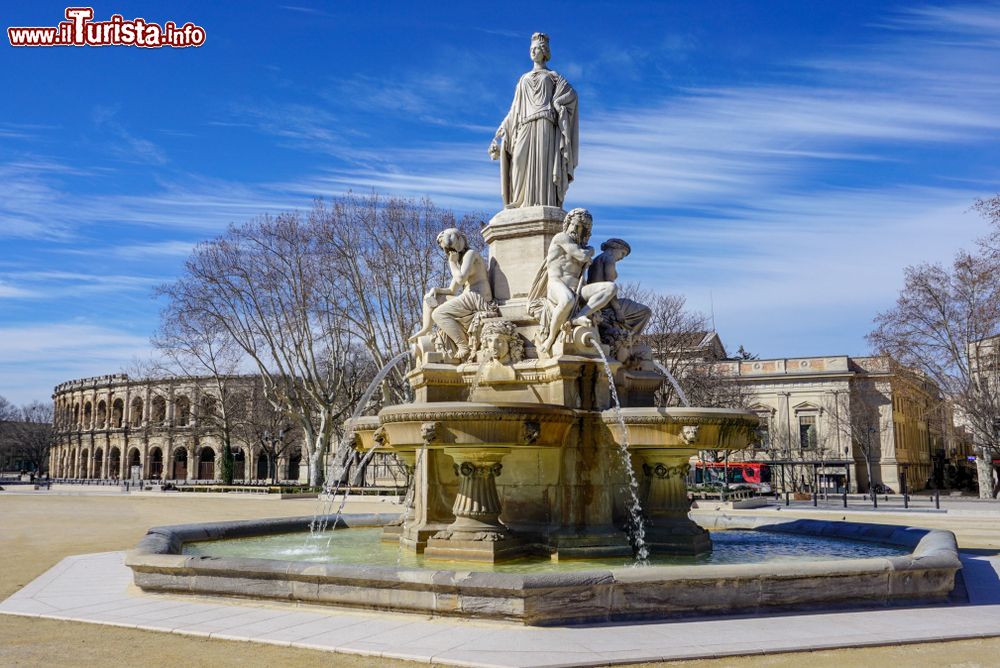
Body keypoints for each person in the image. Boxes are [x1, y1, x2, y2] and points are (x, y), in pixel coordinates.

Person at [489, 32, 579, 209]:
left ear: (544, 52)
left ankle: (544, 200)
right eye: (531, 48)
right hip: (524, 124)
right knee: (518, 162)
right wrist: (500, 131)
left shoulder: (553, 76)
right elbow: (515, 108)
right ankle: (520, 200)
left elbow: (572, 95)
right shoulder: (523, 78)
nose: (533, 51)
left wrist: (557, 102)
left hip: (545, 123)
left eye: (537, 48)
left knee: (542, 165)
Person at [529, 209, 616, 357]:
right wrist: (590, 251)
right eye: (575, 225)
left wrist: (588, 251)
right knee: (567, 299)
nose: (577, 230)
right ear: (568, 223)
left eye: (582, 227)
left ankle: (579, 316)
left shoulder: (584, 247)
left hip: (578, 288)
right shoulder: (560, 237)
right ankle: (550, 338)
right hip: (557, 285)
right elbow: (580, 255)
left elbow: (583, 254)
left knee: (610, 288)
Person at [409, 228, 493, 360]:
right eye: (446, 250)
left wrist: (452, 263)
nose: (448, 253)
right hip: (468, 295)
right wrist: (436, 291)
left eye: (449, 249)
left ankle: (463, 346)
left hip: (478, 296)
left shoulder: (471, 254)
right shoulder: (460, 260)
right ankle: (426, 328)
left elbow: (461, 279)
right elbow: (452, 290)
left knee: (438, 313)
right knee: (430, 297)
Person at [587, 238, 652, 337]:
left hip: (596, 300)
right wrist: (618, 310)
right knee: (645, 311)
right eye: (622, 253)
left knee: (629, 303)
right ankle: (630, 340)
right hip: (606, 304)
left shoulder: (597, 259)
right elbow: (610, 287)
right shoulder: (609, 259)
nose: (622, 258)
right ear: (615, 248)